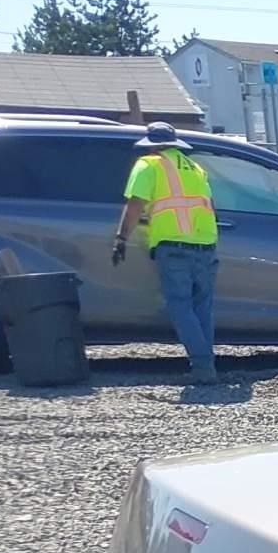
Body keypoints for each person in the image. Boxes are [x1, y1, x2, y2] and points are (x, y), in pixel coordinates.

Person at [112, 123, 220, 386]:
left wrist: (121, 238)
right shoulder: (195, 168)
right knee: (202, 307)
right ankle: (208, 364)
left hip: (174, 246)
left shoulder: (148, 164)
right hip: (206, 244)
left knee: (180, 305)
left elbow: (136, 204)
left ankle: (203, 367)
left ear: (151, 144)